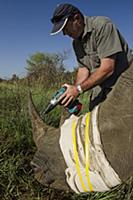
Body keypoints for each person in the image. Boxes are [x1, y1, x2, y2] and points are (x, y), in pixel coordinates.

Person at [50, 3, 133, 111]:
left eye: (65, 28)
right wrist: (72, 91)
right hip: (100, 88)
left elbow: (108, 68)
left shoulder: (102, 25)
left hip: (122, 85)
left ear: (77, 18)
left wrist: (78, 89)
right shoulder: (76, 43)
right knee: (93, 120)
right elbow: (83, 69)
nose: (65, 34)